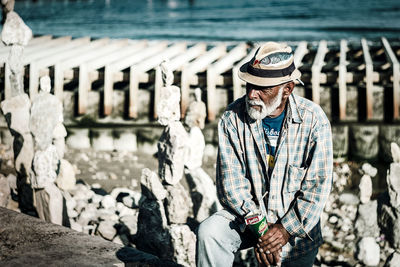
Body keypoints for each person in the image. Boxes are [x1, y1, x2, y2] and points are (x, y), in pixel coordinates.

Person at [196, 42, 333, 267]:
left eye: (263, 89)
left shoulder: (314, 121)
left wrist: (284, 230)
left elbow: (317, 188)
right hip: (249, 220)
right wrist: (262, 231)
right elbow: (231, 185)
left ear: (287, 89)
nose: (252, 94)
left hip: (295, 227)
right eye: (249, 85)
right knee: (210, 232)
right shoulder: (232, 118)